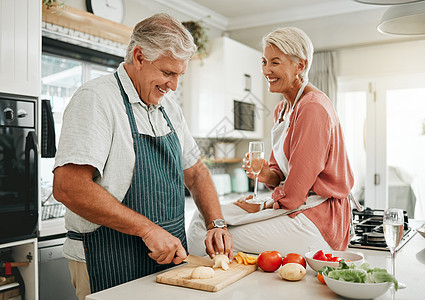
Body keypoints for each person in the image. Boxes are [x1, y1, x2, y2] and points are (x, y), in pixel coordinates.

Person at [52, 13, 233, 299]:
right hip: (107, 259)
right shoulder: (97, 99)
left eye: (178, 75)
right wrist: (147, 229)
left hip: (168, 261)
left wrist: (217, 223)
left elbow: (196, 173)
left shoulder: (168, 108)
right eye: (167, 73)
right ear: (139, 57)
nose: (173, 85)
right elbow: (68, 187)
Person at [187, 27, 353, 257]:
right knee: (205, 217)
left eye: (275, 62)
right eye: (264, 61)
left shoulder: (313, 108)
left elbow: (294, 195)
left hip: (319, 221)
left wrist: (260, 205)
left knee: (205, 235)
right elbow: (281, 176)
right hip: (298, 208)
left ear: (300, 66)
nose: (266, 70)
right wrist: (266, 174)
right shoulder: (282, 109)